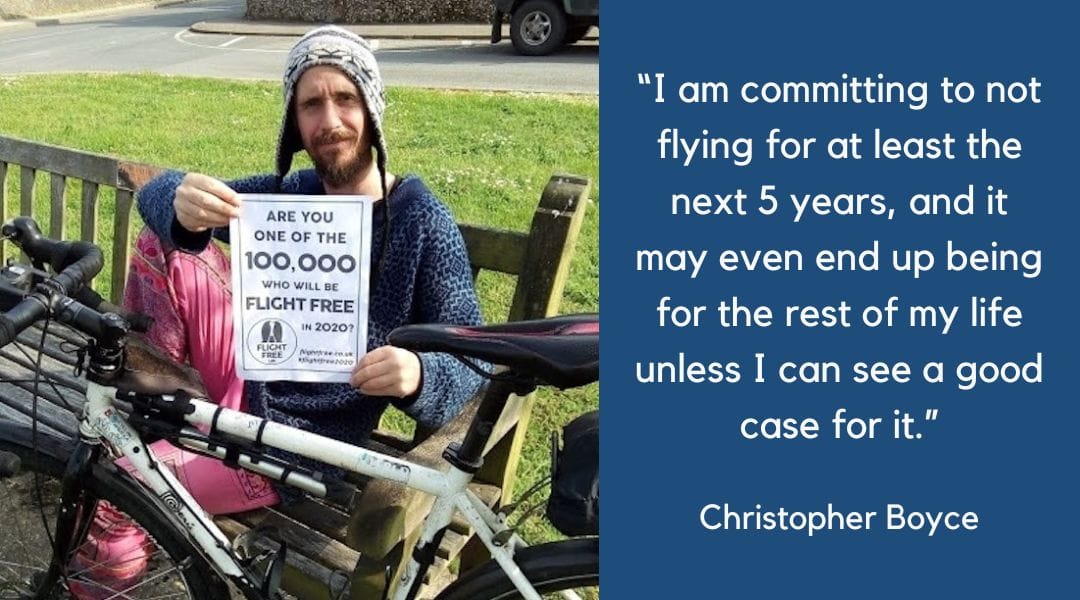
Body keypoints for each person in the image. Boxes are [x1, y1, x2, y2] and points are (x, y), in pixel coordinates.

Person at [70, 25, 485, 599]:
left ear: (373, 108)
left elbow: (473, 352)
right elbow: (160, 194)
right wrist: (179, 200)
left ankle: (104, 577)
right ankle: (159, 409)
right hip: (247, 380)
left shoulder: (421, 221)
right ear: (294, 121)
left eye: (345, 98)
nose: (330, 120)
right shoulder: (291, 194)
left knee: (119, 491)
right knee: (165, 241)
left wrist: (419, 376)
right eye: (311, 104)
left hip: (291, 445)